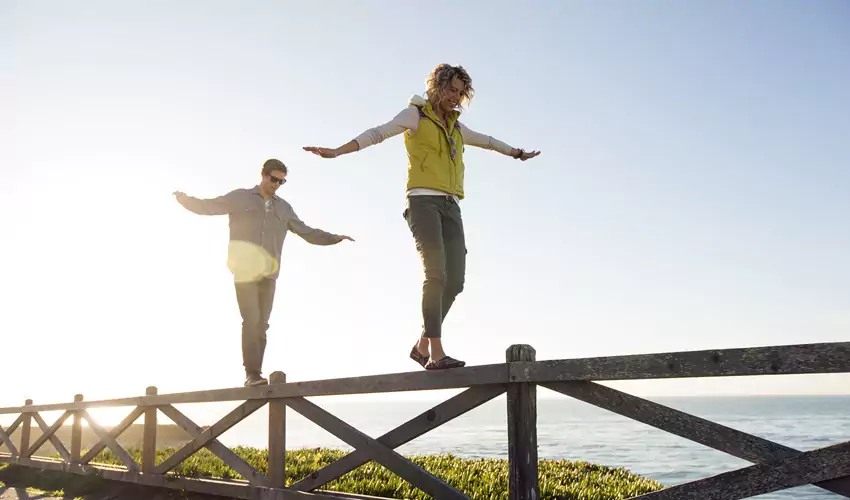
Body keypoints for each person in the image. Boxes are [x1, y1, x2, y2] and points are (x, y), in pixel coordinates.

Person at [303, 63, 540, 371]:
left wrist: (516, 153)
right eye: (450, 90)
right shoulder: (414, 115)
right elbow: (378, 133)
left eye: (460, 92)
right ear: (437, 87)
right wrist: (338, 151)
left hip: (451, 205)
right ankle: (436, 354)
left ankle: (421, 344)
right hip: (422, 203)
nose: (455, 97)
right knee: (436, 274)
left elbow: (489, 141)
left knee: (455, 282)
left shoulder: (457, 128)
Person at [173, 159, 354, 387]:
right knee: (251, 320)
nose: (277, 184)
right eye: (274, 179)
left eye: (282, 181)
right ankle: (252, 374)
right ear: (263, 175)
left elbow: (306, 231)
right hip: (244, 269)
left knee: (262, 325)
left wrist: (334, 238)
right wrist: (184, 200)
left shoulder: (284, 208)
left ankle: (256, 374)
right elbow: (209, 206)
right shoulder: (241, 197)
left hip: (269, 274)